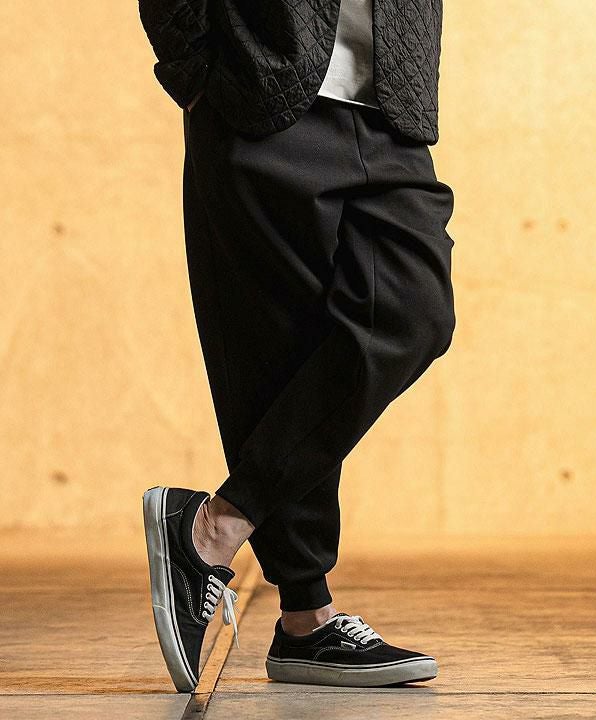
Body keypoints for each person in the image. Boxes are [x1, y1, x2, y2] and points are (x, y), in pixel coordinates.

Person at [138, 0, 455, 691]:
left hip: (391, 102)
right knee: (278, 350)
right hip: (262, 92)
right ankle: (307, 619)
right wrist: (194, 71)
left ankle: (215, 526)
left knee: (415, 315)